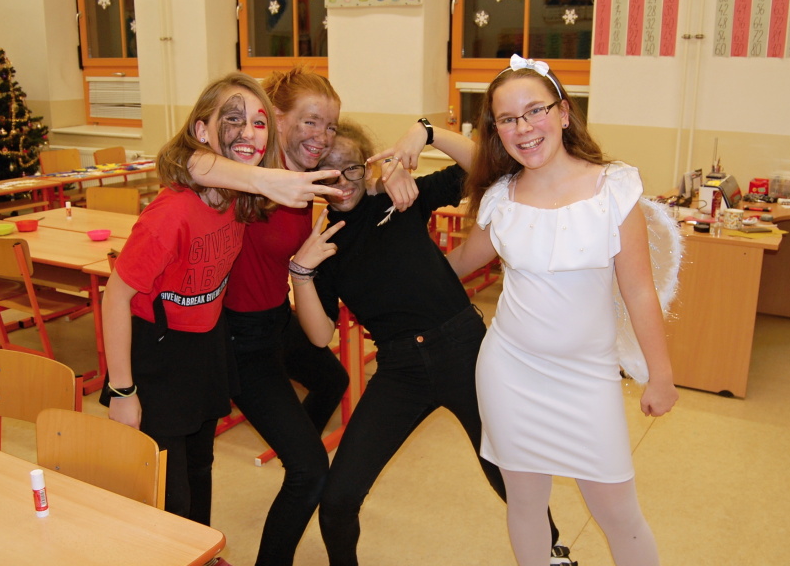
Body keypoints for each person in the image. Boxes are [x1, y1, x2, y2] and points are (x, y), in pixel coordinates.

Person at [290, 118, 572, 566]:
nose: (341, 182)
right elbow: (321, 335)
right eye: (327, 173)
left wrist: (425, 133)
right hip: (400, 370)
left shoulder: (397, 198)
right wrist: (301, 273)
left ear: (367, 165)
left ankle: (551, 553)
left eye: (351, 168)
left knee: (508, 475)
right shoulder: (323, 242)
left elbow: (491, 166)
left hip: (465, 351)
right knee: (338, 499)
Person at [445, 55, 679, 566]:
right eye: (507, 119)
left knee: (618, 513)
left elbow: (639, 291)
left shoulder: (613, 189)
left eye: (536, 111)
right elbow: (456, 264)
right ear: (496, 132)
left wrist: (660, 375)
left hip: (588, 376)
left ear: (564, 113)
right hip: (510, 371)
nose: (524, 128)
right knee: (526, 502)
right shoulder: (501, 198)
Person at [187, 66, 416, 565]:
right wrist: (260, 177)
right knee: (308, 471)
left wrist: (391, 175)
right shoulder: (244, 169)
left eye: (329, 125)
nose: (322, 135)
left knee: (332, 379)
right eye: (310, 121)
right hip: (238, 337)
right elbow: (191, 161)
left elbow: (356, 182)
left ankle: (293, 447)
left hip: (276, 319)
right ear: (276, 117)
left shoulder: (305, 177)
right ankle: (296, 467)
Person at [100, 72, 285, 529]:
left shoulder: (238, 199)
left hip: (204, 347)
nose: (248, 132)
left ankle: (201, 554)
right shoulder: (171, 214)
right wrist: (122, 391)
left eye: (259, 122)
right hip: (156, 356)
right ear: (202, 131)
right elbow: (115, 297)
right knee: (170, 495)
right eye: (233, 119)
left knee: (201, 468)